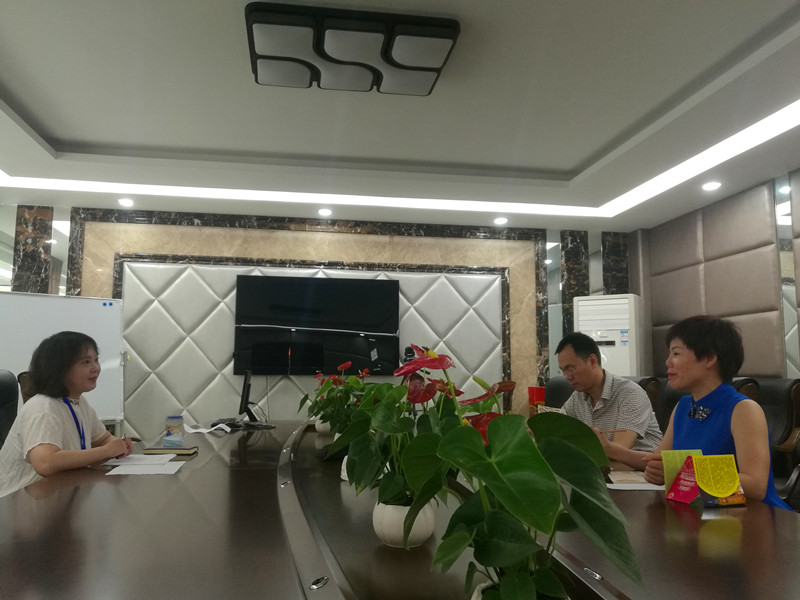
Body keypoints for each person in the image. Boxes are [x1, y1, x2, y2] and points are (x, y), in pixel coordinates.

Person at [616, 315, 790, 510]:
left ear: (709, 358)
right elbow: (659, 462)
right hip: (701, 513)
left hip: (754, 518)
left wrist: (681, 475)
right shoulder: (683, 406)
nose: (668, 362)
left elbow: (756, 486)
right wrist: (656, 471)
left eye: (676, 353)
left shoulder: (743, 409)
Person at [0, 331, 133, 498]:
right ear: (60, 368)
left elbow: (103, 439)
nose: (96, 368)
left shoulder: (78, 402)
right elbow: (45, 463)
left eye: (96, 359)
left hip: (56, 496)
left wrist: (118, 446)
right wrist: (106, 451)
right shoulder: (43, 407)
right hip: (19, 503)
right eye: (86, 362)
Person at [556, 332, 662, 459]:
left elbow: (619, 450)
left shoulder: (630, 393)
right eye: (563, 371)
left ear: (592, 361)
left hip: (641, 468)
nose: (568, 377)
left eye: (571, 369)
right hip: (603, 466)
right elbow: (558, 431)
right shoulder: (577, 398)